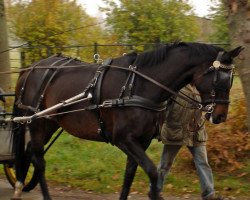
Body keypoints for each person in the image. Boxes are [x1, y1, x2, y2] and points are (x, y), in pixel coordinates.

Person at [157, 84, 223, 200]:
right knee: (165, 164)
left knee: (203, 163)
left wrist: (208, 108)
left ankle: (209, 195)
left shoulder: (202, 87)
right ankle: (155, 191)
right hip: (176, 132)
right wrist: (159, 129)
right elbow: (162, 108)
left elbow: (205, 105)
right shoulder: (177, 85)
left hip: (196, 132)